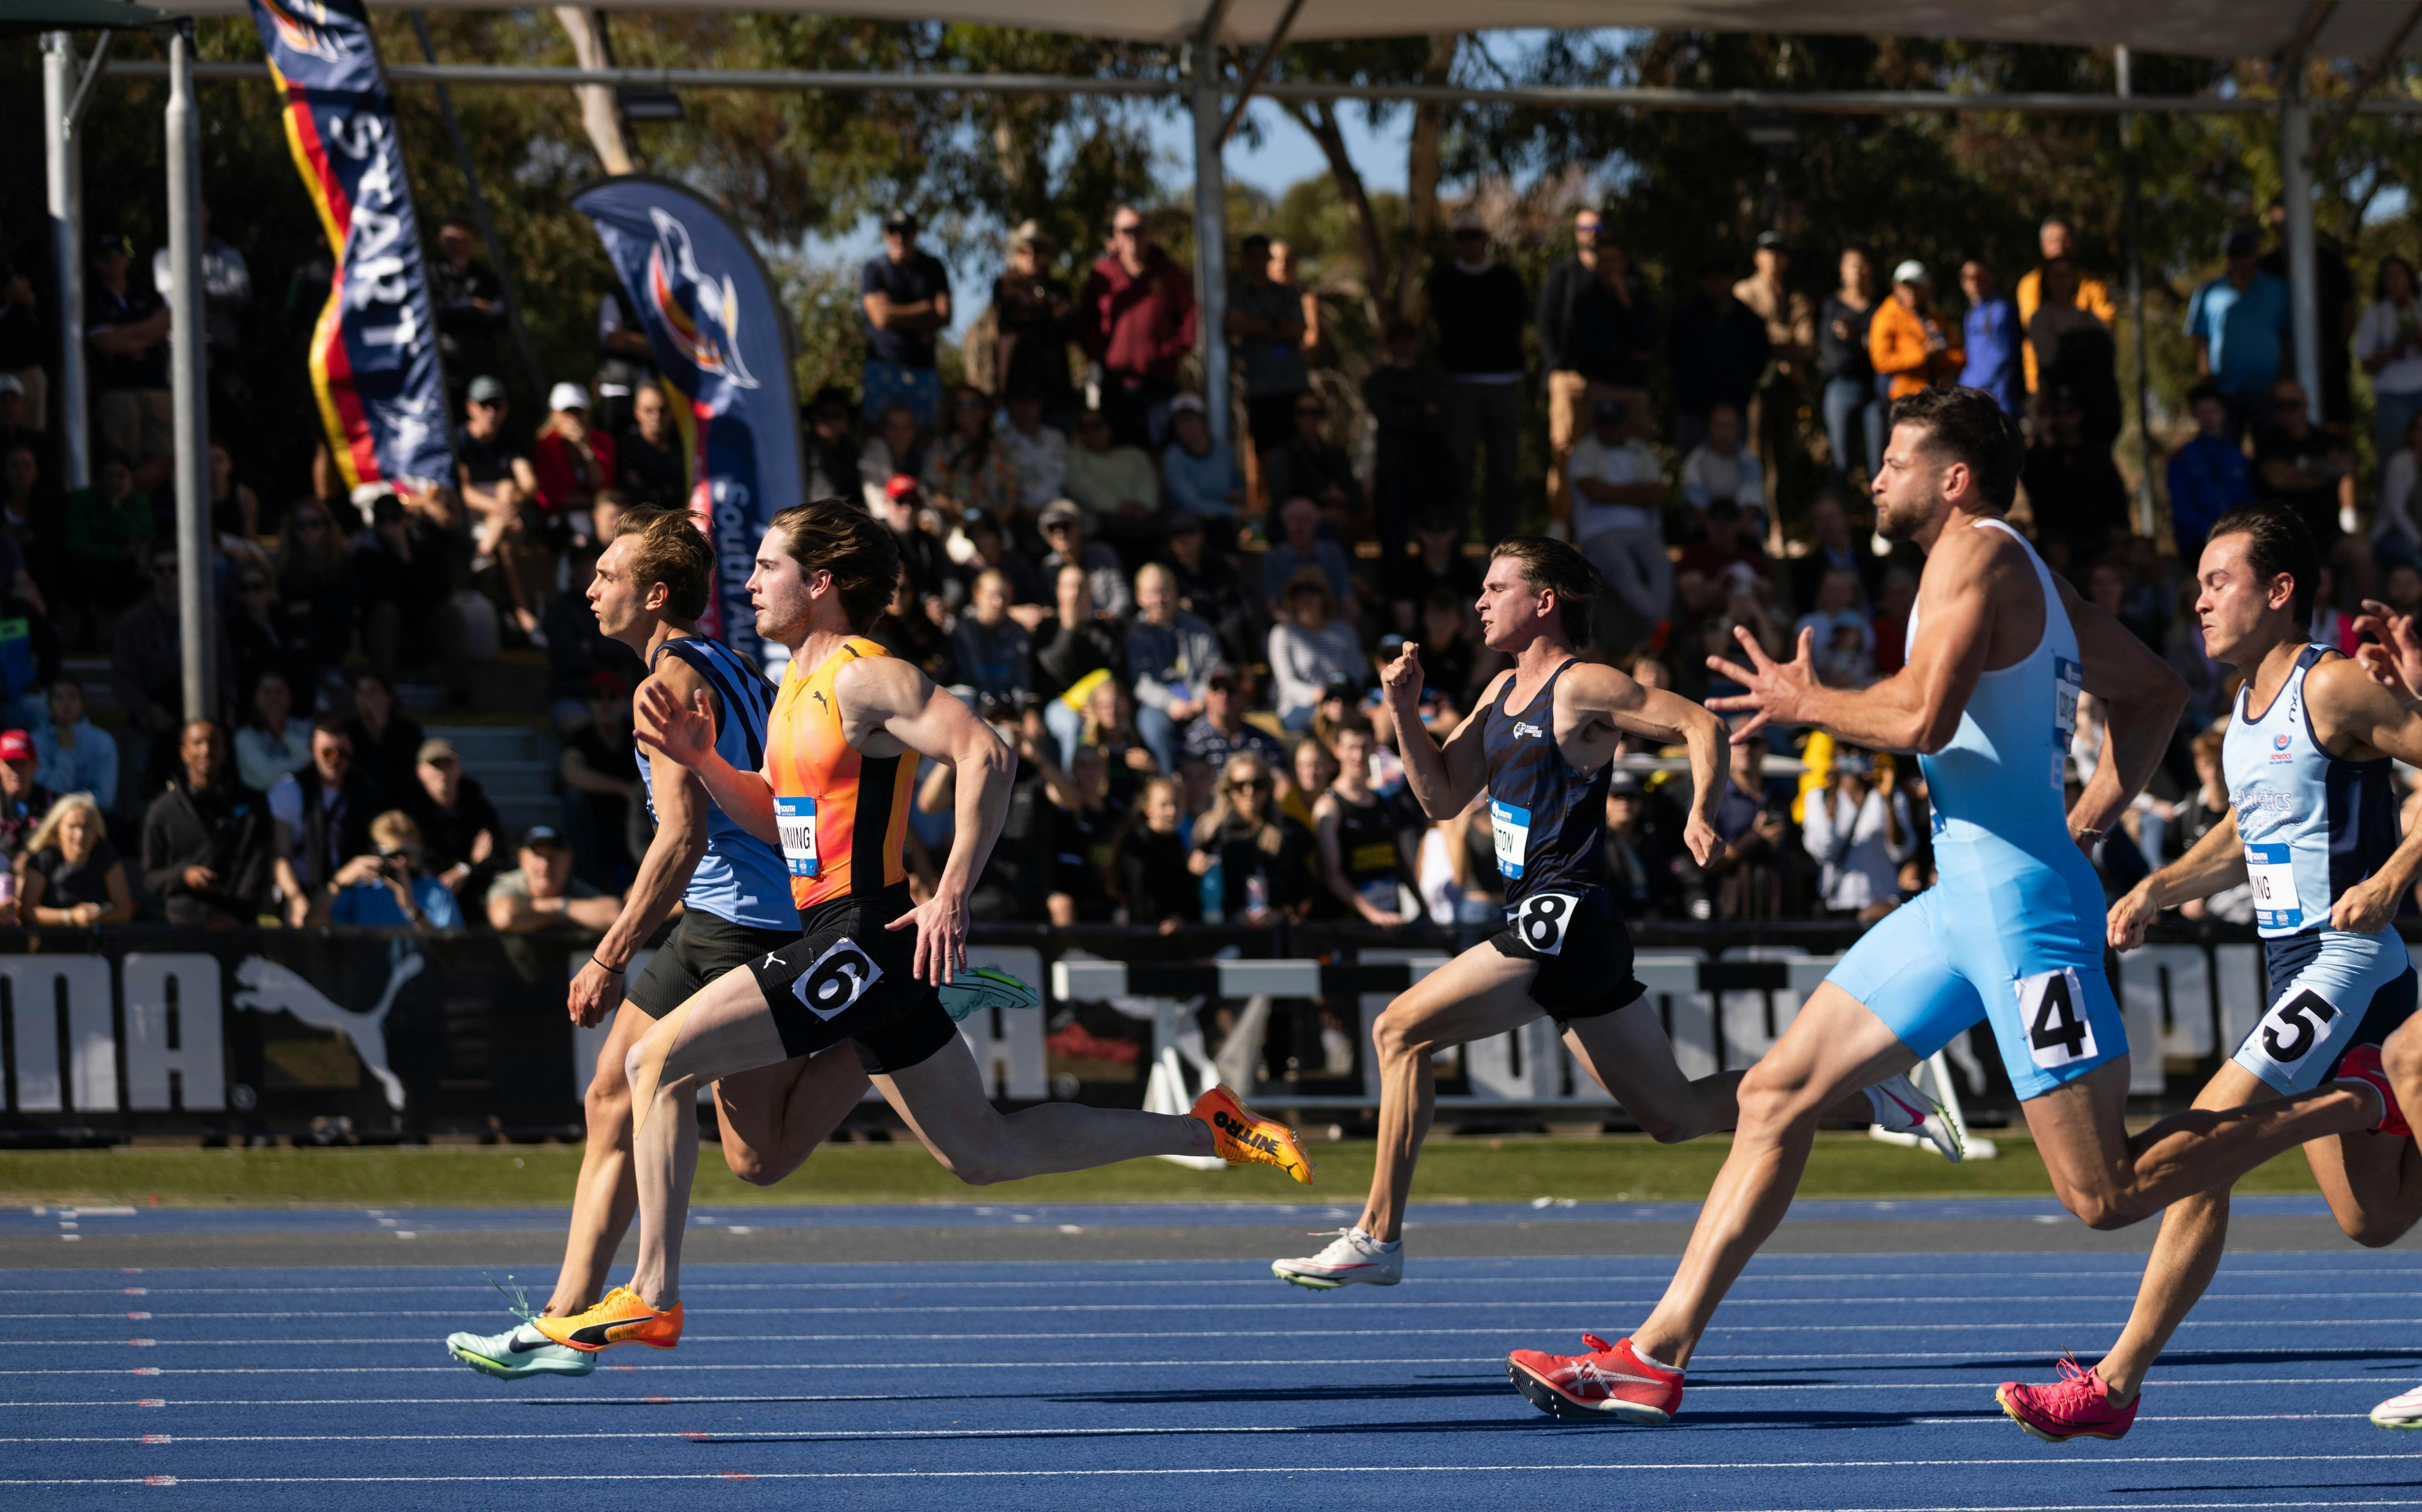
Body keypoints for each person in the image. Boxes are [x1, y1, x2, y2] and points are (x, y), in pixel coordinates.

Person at [1499, 387, 2397, 1426]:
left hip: (2021, 912)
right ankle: (1655, 1355)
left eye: (1894, 459)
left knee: (2101, 1196)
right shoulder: (2013, 574)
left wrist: (1807, 704)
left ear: (1954, 478)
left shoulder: (1983, 555)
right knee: (1775, 1095)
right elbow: (2152, 689)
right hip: (1962, 896)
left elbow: (1927, 715)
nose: (1873, 476)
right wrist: (2091, 821)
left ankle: (2353, 1102)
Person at [535, 498, 1310, 1357]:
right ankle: (1208, 1127)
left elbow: (989, 752)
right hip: (853, 940)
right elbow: (777, 823)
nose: (746, 582)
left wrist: (952, 895)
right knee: (984, 1151)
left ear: (820, 582)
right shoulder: (794, 682)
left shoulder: (864, 675)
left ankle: (653, 1293)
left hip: (861, 934)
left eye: (767, 567)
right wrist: (707, 761)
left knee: (654, 1060)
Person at [1271, 535, 1952, 1292]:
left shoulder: (1581, 685)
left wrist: (1701, 811)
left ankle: (1378, 1235)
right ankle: (1867, 1094)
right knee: (1675, 1114)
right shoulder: (1497, 696)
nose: (1480, 602)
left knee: (1399, 1029)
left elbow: (1701, 724)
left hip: (1563, 913)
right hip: (1558, 927)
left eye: (1497, 588)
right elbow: (1439, 800)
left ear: (1544, 602)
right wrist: (1401, 709)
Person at [2001, 506, 2422, 1440]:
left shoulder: (2336, 688)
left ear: (2279, 593)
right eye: (2196, 584)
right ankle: (2367, 1097)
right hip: (2296, 972)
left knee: (2207, 1139)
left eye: (2217, 580)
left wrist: (2393, 879)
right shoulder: (2239, 713)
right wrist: (2158, 885)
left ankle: (2112, 1386)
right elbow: (2248, 832)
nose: (2197, 601)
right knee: (2373, 1216)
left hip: (2347, 958)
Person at [447, 507, 871, 1380]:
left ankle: (881, 1026)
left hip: (747, 925)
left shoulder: (673, 677)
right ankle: (563, 1324)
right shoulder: (720, 659)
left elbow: (679, 839)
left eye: (607, 576)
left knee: (757, 1155)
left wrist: (608, 953)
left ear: (656, 595)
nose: (591, 589)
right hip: (719, 918)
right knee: (612, 1096)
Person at [1427, 213, 1529, 546]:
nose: (1469, 242)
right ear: (1453, 242)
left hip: (1503, 383)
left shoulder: (1507, 279)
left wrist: (1475, 330)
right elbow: (1447, 328)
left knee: (1504, 470)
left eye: (1474, 235)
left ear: (1485, 238)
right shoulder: (1442, 280)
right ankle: (1455, 545)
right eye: (1462, 236)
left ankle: (1503, 549)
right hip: (1459, 385)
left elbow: (1512, 326)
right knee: (1458, 468)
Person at [141, 718, 296, 928]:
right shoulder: (163, 811)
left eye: (213, 743)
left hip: (238, 928)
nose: (206, 751)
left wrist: (237, 916)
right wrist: (185, 876)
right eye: (198, 743)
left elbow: (259, 865)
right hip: (180, 929)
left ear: (225, 751)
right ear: (184, 753)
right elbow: (151, 877)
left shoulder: (253, 807)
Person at [1080, 206, 1194, 450]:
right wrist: (1100, 354)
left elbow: (1190, 320)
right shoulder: (1102, 275)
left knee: (1161, 454)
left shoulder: (1170, 274)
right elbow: (1086, 322)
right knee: (1118, 457)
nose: (1132, 236)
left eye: (1138, 230)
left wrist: (1165, 355)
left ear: (1149, 233)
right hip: (1115, 387)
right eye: (1125, 231)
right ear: (1115, 236)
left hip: (1159, 386)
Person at [85, 233, 173, 490]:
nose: (113, 262)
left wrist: (124, 336)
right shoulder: (95, 299)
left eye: (117, 256)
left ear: (127, 260)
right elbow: (105, 342)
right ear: (97, 264)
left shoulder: (145, 291)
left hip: (156, 387)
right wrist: (147, 334)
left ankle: (134, 499)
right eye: (106, 258)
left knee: (168, 457)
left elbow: (167, 323)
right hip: (117, 391)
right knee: (122, 461)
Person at [1187, 749, 1315, 924]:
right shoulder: (1211, 831)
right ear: (1230, 789)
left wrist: (1281, 914)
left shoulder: (1291, 831)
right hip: (1226, 933)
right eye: (1240, 785)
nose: (1250, 791)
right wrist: (1193, 871)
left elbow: (1307, 888)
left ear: (1269, 787)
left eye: (1258, 784)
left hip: (1278, 936)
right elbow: (1193, 893)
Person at [1733, 231, 1817, 495]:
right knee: (1753, 452)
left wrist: (1771, 335)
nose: (1773, 259)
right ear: (1757, 258)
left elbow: (1808, 346)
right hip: (1756, 384)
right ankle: (1755, 520)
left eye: (1779, 254)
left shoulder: (1797, 297)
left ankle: (1781, 525)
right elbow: (1747, 337)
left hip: (1789, 384)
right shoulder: (1744, 292)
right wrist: (1783, 335)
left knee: (1784, 456)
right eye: (1767, 253)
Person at [2187, 229, 2292, 435]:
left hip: (2267, 391)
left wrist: (2283, 379)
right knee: (2225, 458)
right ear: (2227, 257)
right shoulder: (2209, 292)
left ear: (2255, 255)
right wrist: (2208, 382)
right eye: (2235, 255)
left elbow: (2286, 337)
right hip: (2225, 392)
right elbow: (2200, 340)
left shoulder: (2277, 290)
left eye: (2246, 254)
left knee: (2270, 455)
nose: (2241, 261)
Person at [1228, 231, 1311, 488]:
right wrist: (1276, 325)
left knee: (1301, 453)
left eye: (1262, 256)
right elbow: (1234, 325)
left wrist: (1257, 327)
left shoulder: (1288, 295)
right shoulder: (1239, 295)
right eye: (1251, 256)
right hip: (1261, 389)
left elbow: (1298, 329)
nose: (1257, 262)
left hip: (1293, 384)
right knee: (1265, 455)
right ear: (1244, 260)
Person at [1667, 256, 1771, 461]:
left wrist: (1739, 392)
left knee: (1734, 474)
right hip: (1694, 409)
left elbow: (1759, 360)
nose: (1717, 285)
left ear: (1732, 280)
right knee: (1693, 472)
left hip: (1735, 411)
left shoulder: (1749, 322)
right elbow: (1674, 357)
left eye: (1722, 279)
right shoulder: (1686, 318)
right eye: (1711, 279)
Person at [1313, 718, 1411, 925]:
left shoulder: (1384, 803)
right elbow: (1332, 874)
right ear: (1337, 750)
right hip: (1351, 925)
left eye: (1364, 747)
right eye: (1351, 748)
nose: (1358, 755)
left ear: (1374, 748)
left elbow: (1401, 863)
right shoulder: (1329, 807)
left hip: (1391, 919)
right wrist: (1374, 915)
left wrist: (1426, 911)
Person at [858, 209, 950, 431]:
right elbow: (880, 318)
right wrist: (925, 309)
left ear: (915, 234)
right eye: (893, 231)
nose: (899, 238)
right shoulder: (875, 269)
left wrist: (894, 313)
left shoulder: (933, 267)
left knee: (924, 436)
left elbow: (945, 315)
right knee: (879, 433)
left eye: (905, 232)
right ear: (885, 234)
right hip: (883, 366)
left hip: (923, 369)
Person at [1127, 562, 1221, 774]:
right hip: (1160, 704)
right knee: (1153, 724)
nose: (1160, 600)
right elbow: (1141, 684)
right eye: (1152, 594)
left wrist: (1200, 697)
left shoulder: (1200, 629)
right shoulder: (1136, 635)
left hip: (1201, 699)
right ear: (1140, 598)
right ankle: (1170, 782)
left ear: (1176, 592)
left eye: (1165, 592)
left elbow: (1214, 669)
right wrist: (1170, 703)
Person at [1031, 560, 1125, 766]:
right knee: (1071, 724)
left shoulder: (1104, 632)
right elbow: (1055, 671)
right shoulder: (1047, 629)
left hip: (1099, 705)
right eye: (1069, 587)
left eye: (1081, 587)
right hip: (1059, 705)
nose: (1075, 593)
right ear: (1058, 592)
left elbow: (1115, 676)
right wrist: (1069, 627)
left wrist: (1096, 705)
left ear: (1090, 592)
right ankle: (1070, 786)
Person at [1800, 748, 1912, 920]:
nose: (1854, 754)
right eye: (1846, 749)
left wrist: (1888, 800)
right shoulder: (1818, 797)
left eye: (1861, 748)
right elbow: (1823, 850)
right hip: (1837, 907)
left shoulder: (1890, 794)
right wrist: (1832, 794)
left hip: (1881, 906)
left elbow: (1901, 852)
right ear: (1836, 754)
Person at [2014, 215, 2119, 400]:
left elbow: (2106, 326)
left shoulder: (2094, 285)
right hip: (2043, 383)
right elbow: (2034, 328)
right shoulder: (2029, 285)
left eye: (2066, 240)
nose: (2060, 245)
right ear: (2043, 245)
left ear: (2075, 245)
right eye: (2054, 240)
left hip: (2088, 382)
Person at [312, 808, 461, 930]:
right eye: (394, 856)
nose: (401, 864)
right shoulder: (361, 893)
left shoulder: (435, 892)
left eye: (409, 855)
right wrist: (339, 881)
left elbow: (450, 952)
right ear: (375, 853)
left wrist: (410, 908)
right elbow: (313, 926)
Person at [2253, 377, 2355, 553]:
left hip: (2329, 532)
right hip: (2284, 535)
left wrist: (2297, 470)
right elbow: (2277, 479)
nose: (2287, 411)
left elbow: (2347, 469)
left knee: (2362, 553)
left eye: (2293, 404)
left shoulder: (2326, 439)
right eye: (2280, 405)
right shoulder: (2268, 442)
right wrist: (2322, 472)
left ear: (2305, 405)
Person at [992, 221, 1076, 421]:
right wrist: (1050, 314)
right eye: (1023, 251)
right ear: (1015, 254)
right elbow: (1009, 318)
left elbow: (1071, 327)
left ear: (1047, 255)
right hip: (1016, 390)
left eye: (1037, 251)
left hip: (1055, 390)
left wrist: (1038, 313)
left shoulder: (1058, 288)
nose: (1031, 257)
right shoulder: (1006, 285)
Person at [12, 790, 133, 929]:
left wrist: (97, 917)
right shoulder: (43, 859)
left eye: (87, 827)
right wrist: (71, 917)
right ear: (58, 828)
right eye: (73, 827)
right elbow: (28, 912)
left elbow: (124, 910)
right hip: (52, 944)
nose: (80, 834)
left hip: (96, 945)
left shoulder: (105, 854)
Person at [2167, 381, 2256, 562]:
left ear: (2223, 413)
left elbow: (2249, 499)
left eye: (2214, 411)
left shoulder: (2236, 455)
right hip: (2198, 546)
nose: (2209, 418)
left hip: (2237, 544)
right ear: (2195, 415)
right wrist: (2212, 534)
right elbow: (2182, 507)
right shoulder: (2183, 458)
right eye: (2202, 413)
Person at [1268, 568, 1365, 732]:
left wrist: (1341, 700)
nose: (1306, 597)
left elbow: (1358, 675)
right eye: (1298, 591)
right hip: (1300, 707)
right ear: (1291, 598)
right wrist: (1323, 699)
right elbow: (1288, 685)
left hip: (1343, 704)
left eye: (1313, 590)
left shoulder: (1346, 632)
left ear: (1325, 595)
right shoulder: (1282, 633)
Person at [1820, 247, 1885, 488]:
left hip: (1875, 391)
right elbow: (1836, 359)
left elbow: (1883, 354)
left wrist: (1853, 341)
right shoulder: (1832, 305)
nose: (1857, 271)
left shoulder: (1881, 306)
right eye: (1852, 264)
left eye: (1863, 264)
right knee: (1841, 462)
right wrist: (1865, 345)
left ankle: (1882, 525)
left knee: (1880, 466)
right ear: (1842, 270)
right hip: (1842, 387)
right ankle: (1837, 524)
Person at [405, 736, 501, 899]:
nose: (443, 772)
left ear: (459, 768)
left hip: (474, 891)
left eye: (448, 764)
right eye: (436, 765)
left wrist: (465, 871)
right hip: (426, 893)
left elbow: (494, 852)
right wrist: (469, 865)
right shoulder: (409, 811)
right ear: (420, 772)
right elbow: (419, 862)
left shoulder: (478, 806)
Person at [484, 824, 620, 935]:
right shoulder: (508, 884)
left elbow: (617, 917)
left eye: (553, 857)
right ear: (523, 859)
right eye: (538, 856)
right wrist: (564, 912)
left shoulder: (573, 885)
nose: (545, 865)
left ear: (568, 860)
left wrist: (559, 906)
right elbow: (505, 918)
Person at [1264, 393, 1364, 540]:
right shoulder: (1284, 456)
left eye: (1314, 413)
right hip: (1296, 534)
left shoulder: (1335, 455)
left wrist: (1342, 498)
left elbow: (1358, 501)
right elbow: (1282, 503)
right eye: (1302, 413)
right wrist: (1321, 513)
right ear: (1295, 417)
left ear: (1322, 417)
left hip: (1335, 533)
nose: (1308, 418)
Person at [431, 217, 507, 407]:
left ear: (473, 243)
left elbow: (500, 313)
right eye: (450, 241)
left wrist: (455, 313)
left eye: (462, 241)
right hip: (445, 368)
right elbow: (433, 312)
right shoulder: (431, 273)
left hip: (480, 365)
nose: (456, 248)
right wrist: (470, 307)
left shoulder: (485, 277)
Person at [2358, 255, 2422, 478]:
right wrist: (2391, 353)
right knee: (2395, 458)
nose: (2395, 281)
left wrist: (2414, 315)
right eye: (2389, 276)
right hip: (2393, 397)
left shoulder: (2419, 308)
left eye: (2400, 275)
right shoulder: (2376, 314)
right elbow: (2365, 362)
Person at [1063, 408, 1159, 551]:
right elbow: (1082, 487)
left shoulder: (1134, 455)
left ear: (1109, 428)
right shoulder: (1075, 456)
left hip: (1144, 521)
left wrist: (1143, 506)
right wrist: (1118, 507)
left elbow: (1149, 482)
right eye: (1084, 428)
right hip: (1102, 527)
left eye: (1097, 425)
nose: (1091, 432)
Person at [1109, 773, 1197, 929]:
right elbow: (1139, 894)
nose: (1172, 812)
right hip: (1142, 932)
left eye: (1176, 804)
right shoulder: (1137, 843)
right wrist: (1162, 919)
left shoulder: (1176, 842)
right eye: (1164, 805)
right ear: (1148, 809)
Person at [922, 384, 1017, 525]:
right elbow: (930, 489)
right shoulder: (942, 447)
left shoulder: (1000, 450)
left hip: (992, 525)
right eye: (959, 404)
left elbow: (1011, 496)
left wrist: (992, 525)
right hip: (952, 524)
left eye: (973, 404)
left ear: (985, 411)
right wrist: (955, 513)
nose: (966, 410)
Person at [1869, 261, 1960, 399]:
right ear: (1896, 287)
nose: (1911, 291)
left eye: (1917, 286)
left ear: (1926, 288)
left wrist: (1941, 356)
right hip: (1903, 398)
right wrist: (1923, 354)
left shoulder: (1936, 318)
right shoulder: (1886, 317)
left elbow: (1959, 356)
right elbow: (1881, 361)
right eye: (1906, 286)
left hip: (1936, 395)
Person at [1259, 494, 1357, 624]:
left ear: (1317, 524)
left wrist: (1331, 629)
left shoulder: (1333, 553)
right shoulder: (1273, 558)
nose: (1299, 526)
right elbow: (1273, 608)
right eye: (1293, 520)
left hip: (1330, 626)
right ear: (1285, 524)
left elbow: (1349, 604)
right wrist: (1304, 630)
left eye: (1305, 520)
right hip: (1291, 628)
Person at [533, 383, 615, 532]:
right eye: (567, 412)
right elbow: (550, 495)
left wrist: (585, 448)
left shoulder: (603, 441)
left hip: (595, 510)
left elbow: (603, 486)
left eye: (578, 411)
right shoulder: (546, 444)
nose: (573, 418)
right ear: (555, 414)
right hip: (559, 515)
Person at [33, 675, 117, 816]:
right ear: (49, 704)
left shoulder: (103, 741)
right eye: (59, 698)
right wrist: (66, 754)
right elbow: (47, 795)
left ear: (82, 703)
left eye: (72, 697)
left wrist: (73, 813)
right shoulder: (36, 741)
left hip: (91, 819)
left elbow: (104, 798)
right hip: (46, 818)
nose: (66, 704)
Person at [338, 670, 424, 805]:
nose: (367, 698)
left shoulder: (409, 730)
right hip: (358, 801)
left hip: (402, 799)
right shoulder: (346, 731)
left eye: (373, 691)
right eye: (361, 692)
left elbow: (410, 766)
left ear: (389, 697)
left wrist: (384, 727)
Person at [1181, 663, 1285, 773]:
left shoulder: (1263, 741)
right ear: (1207, 694)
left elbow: (1280, 778)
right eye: (1216, 688)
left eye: (1230, 690)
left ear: (1243, 696)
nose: (1223, 695)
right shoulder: (1191, 741)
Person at [1159, 393, 1244, 523]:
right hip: (1189, 523)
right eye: (1181, 421)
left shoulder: (1224, 450)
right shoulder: (1172, 458)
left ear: (1204, 421)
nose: (1187, 426)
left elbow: (1234, 488)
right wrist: (1234, 511)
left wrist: (1238, 498)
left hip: (1226, 521)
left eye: (1192, 419)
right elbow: (1193, 504)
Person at [1958, 260, 2023, 417]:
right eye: (1966, 277)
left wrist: (1975, 385)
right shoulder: (1971, 314)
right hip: (1974, 395)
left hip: (1998, 399)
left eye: (1979, 276)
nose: (1973, 283)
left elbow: (2005, 356)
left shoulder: (2001, 311)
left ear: (1991, 278)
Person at [1678, 403, 1764, 521]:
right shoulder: (1695, 462)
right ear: (1710, 427)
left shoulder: (1750, 462)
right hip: (1707, 528)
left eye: (1729, 426)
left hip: (1742, 528)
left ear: (1738, 428)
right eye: (1719, 426)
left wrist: (1736, 530)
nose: (1724, 432)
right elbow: (1697, 507)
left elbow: (1752, 503)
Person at [234, 670, 309, 795]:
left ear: (290, 696)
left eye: (279, 692)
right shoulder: (245, 736)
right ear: (256, 698)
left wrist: (283, 733)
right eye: (267, 692)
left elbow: (312, 759)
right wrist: (301, 767)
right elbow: (268, 776)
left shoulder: (304, 727)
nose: (274, 699)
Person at [615, 384, 685, 509]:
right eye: (649, 410)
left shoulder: (686, 446)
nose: (656, 417)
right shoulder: (625, 447)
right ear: (637, 412)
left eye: (663, 410)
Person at [0, 726, 57, 859]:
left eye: (22, 764)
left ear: (36, 764)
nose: (16, 772)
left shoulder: (54, 804)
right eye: (11, 764)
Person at [857, 403, 925, 515]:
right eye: (893, 427)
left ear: (914, 431)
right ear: (883, 430)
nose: (899, 433)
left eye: (905, 427)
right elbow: (878, 508)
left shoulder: (921, 456)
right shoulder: (874, 452)